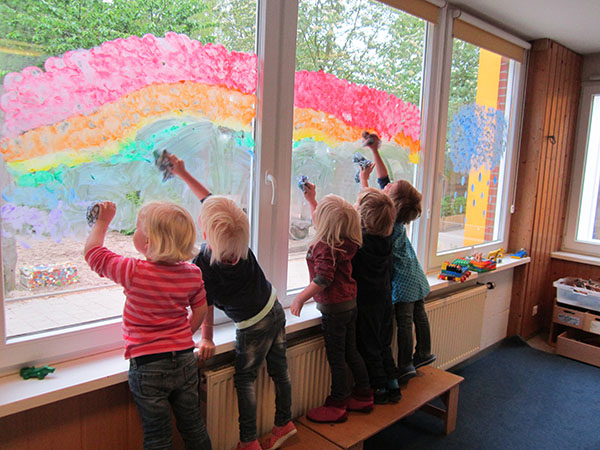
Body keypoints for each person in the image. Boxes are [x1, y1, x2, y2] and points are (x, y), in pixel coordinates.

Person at [167, 154, 296, 450]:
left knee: (245, 379)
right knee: (280, 370)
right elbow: (212, 203)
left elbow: (205, 304)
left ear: (205, 233)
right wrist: (184, 173)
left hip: (252, 325)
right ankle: (284, 422)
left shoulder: (204, 263)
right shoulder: (238, 237)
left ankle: (248, 441)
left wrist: (207, 337)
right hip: (274, 307)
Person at [84, 201, 212, 450]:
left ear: (149, 241)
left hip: (147, 366)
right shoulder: (192, 273)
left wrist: (102, 222)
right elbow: (201, 309)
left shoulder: (133, 271)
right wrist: (184, 333)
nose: (134, 232)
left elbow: (93, 254)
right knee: (194, 426)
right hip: (184, 360)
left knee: (158, 436)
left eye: (137, 228)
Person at [291, 183, 373, 424]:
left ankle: (338, 403)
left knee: (337, 358)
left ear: (324, 224)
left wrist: (299, 298)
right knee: (352, 352)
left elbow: (323, 279)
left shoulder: (325, 247)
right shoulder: (346, 241)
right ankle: (364, 393)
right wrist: (312, 199)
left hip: (335, 310)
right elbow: (327, 219)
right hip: (350, 304)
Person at [364, 133, 436, 384]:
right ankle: (425, 352)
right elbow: (385, 178)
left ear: (391, 203)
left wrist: (364, 181)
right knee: (420, 313)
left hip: (403, 280)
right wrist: (375, 151)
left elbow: (367, 207)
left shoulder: (388, 223)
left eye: (388, 188)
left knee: (405, 321)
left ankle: (406, 364)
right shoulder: (398, 214)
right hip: (415, 272)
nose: (385, 184)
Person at [352, 166, 402, 404]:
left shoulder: (359, 245)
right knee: (383, 344)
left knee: (370, 346)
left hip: (368, 305)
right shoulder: (386, 239)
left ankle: (380, 388)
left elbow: (363, 214)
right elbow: (374, 211)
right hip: (385, 299)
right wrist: (364, 181)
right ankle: (393, 383)